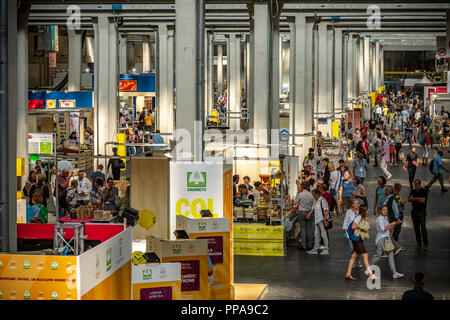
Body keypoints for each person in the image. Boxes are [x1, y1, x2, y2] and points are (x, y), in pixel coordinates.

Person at [344, 207, 378, 281]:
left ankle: (348, 274)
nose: (368, 210)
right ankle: (370, 274)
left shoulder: (362, 217)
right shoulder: (359, 217)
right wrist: (361, 228)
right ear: (364, 211)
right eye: (367, 210)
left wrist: (365, 221)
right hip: (356, 239)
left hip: (357, 239)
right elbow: (353, 226)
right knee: (365, 255)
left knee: (354, 256)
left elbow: (368, 225)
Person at [370, 205, 404, 279]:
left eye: (386, 209)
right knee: (378, 255)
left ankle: (394, 272)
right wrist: (392, 223)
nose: (385, 211)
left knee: (391, 253)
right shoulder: (379, 218)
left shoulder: (385, 218)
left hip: (386, 239)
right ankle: (369, 269)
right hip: (381, 240)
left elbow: (388, 228)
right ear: (380, 211)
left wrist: (395, 224)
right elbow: (383, 229)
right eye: (383, 209)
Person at [306, 189, 330, 255]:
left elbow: (327, 210)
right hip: (317, 220)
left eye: (313, 195)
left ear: (317, 195)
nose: (313, 196)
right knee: (316, 235)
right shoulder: (315, 200)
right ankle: (315, 248)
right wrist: (309, 214)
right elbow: (313, 208)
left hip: (321, 220)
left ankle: (326, 249)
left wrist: (325, 220)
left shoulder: (323, 200)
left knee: (323, 234)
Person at [294, 182, 315, 251]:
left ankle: (304, 245)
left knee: (303, 229)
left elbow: (295, 202)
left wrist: (297, 193)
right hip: (309, 212)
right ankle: (310, 244)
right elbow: (313, 204)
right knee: (309, 229)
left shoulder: (300, 194)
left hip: (302, 212)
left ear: (302, 187)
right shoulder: (311, 194)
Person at [409, 179, 429, 249]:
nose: (416, 185)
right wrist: (417, 199)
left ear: (420, 184)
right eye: (415, 184)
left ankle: (425, 244)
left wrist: (414, 199)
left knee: (423, 228)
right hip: (414, 212)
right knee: (416, 229)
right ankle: (419, 244)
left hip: (422, 212)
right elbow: (409, 199)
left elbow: (423, 200)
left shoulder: (424, 191)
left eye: (417, 184)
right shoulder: (413, 191)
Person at [342, 199, 362, 267]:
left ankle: (358, 260)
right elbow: (345, 222)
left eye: (358, 203)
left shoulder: (360, 211)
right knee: (351, 247)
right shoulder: (349, 212)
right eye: (356, 203)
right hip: (350, 232)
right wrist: (346, 232)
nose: (357, 204)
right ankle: (353, 261)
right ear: (352, 204)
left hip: (358, 232)